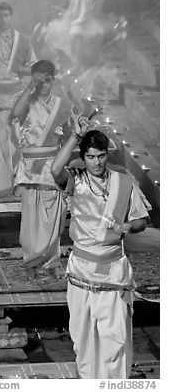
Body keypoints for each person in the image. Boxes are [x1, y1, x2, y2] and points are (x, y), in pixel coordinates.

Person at [51, 119, 149, 379]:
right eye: (91, 157)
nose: (97, 162)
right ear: (83, 157)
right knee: (83, 338)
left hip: (113, 270)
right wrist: (75, 136)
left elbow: (141, 220)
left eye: (101, 156)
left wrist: (128, 226)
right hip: (82, 270)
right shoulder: (77, 180)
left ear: (108, 154)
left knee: (114, 338)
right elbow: (54, 169)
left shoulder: (123, 182)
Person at [10, 60, 71, 278]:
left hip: (51, 166)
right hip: (29, 168)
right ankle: (31, 263)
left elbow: (69, 135)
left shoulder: (61, 105)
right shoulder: (26, 101)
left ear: (53, 80)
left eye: (47, 79)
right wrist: (29, 87)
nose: (44, 84)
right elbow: (14, 115)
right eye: (39, 80)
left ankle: (51, 262)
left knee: (54, 216)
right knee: (30, 219)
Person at [0, 2, 36, 197]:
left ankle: (18, 184)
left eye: (6, 15)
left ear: (12, 17)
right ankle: (1, 187)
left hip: (17, 100)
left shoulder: (23, 41)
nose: (3, 19)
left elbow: (33, 67)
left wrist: (20, 71)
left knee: (16, 143)